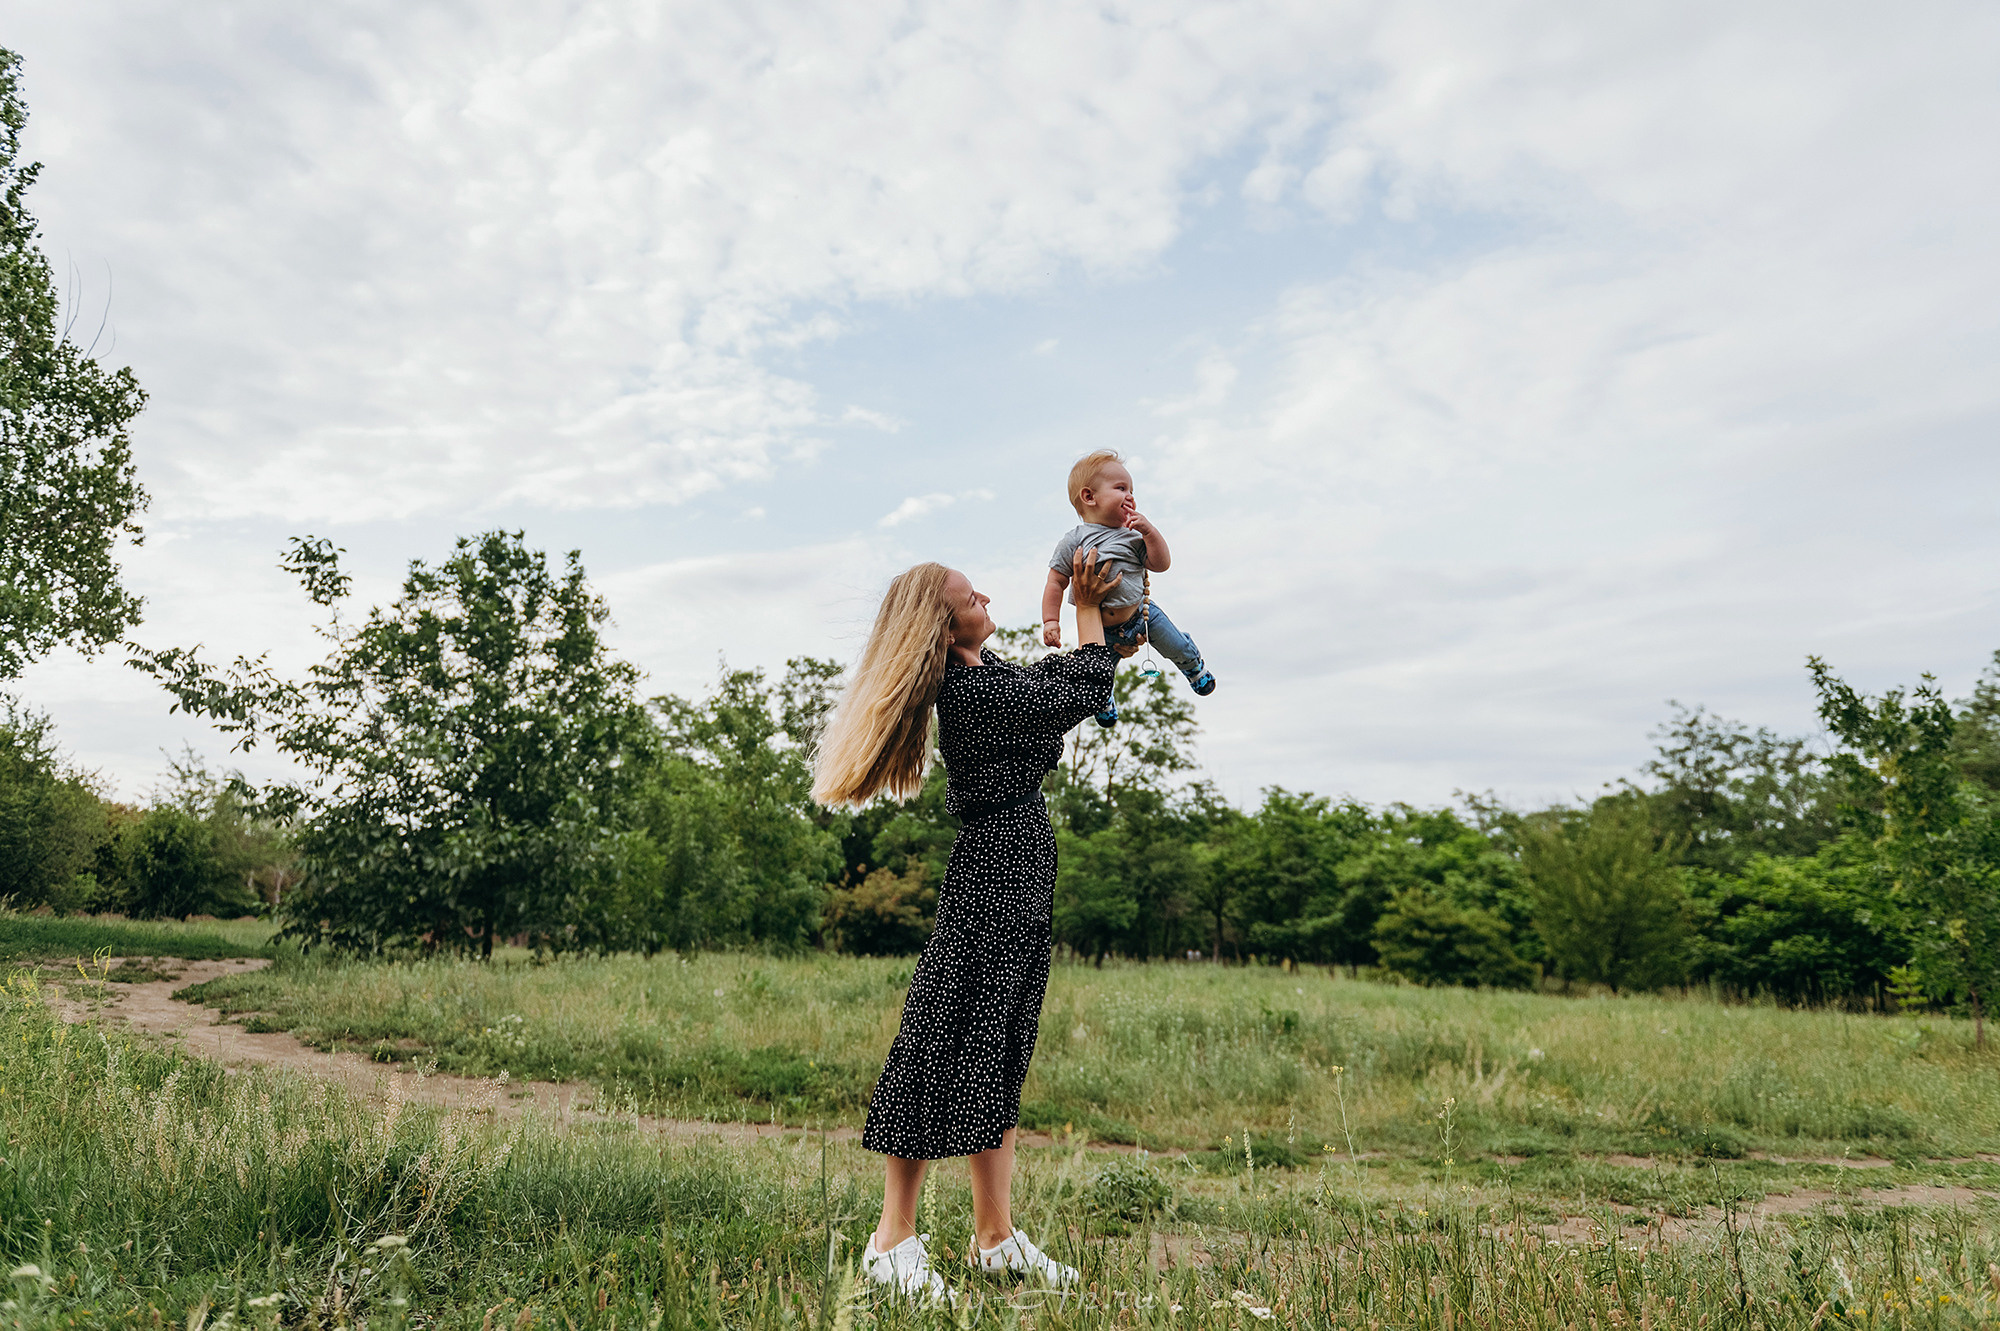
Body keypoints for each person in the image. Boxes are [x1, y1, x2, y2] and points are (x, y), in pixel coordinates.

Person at [811, 550, 1128, 1303]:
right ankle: (891, 1239)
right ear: (943, 623)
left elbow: (1063, 680)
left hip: (1021, 869)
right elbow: (1080, 684)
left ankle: (995, 1237)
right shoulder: (969, 694)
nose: (985, 595)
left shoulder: (991, 676)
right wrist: (1086, 608)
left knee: (1000, 1042)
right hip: (992, 870)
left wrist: (1107, 627)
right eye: (968, 594)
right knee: (943, 1036)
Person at [1041, 448, 1215, 727]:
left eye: (1132, 489)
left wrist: (1150, 532)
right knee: (1098, 670)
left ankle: (1192, 665)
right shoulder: (1073, 541)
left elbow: (1161, 564)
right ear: (1089, 497)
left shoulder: (1133, 535)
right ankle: (1103, 698)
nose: (1131, 495)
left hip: (1144, 616)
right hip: (1100, 629)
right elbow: (1055, 581)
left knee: (1175, 645)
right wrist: (1051, 620)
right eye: (1121, 488)